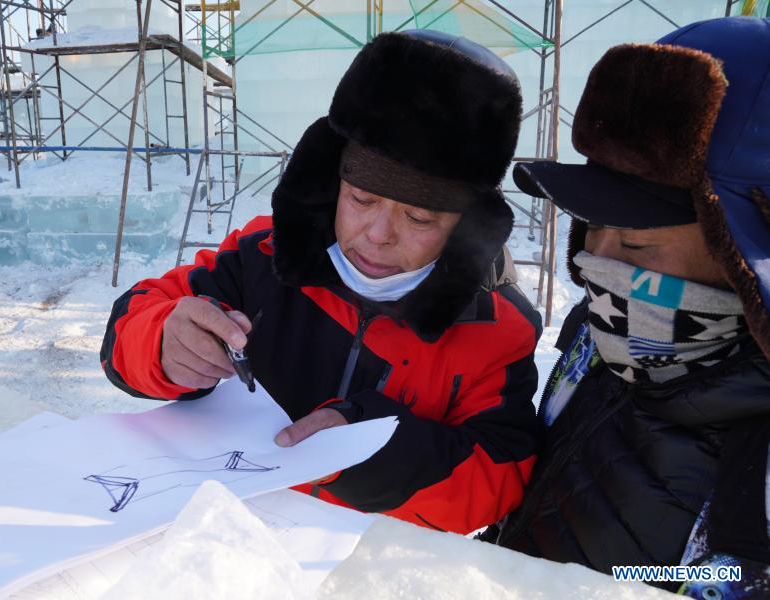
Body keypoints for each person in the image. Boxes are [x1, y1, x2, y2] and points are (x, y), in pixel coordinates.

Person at [101, 30, 543, 535]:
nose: (377, 236)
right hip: (220, 543)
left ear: (461, 223)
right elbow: (134, 323)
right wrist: (160, 341)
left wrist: (371, 451)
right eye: (360, 199)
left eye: (418, 218)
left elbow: (502, 476)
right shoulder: (262, 253)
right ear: (335, 183)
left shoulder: (496, 326)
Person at [493, 16, 770, 596]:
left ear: (748, 253)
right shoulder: (595, 336)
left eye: (638, 242)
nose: (601, 260)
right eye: (589, 227)